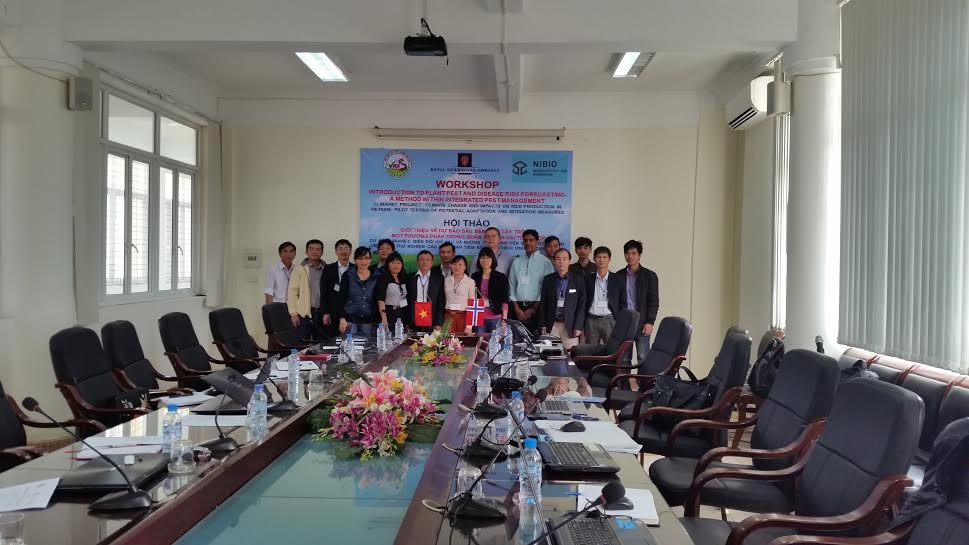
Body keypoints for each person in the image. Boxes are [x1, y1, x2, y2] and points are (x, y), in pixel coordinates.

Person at [618, 240, 659, 364]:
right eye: (627, 253)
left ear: (639, 255)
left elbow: (653, 301)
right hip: (625, 324)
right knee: (624, 358)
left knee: (643, 357)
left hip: (642, 323)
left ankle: (644, 378)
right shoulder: (618, 275)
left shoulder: (650, 276)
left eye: (633, 253)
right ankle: (624, 378)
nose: (630, 256)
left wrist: (650, 322)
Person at [539, 249, 586, 349]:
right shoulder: (548, 279)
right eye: (558, 259)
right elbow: (543, 303)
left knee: (571, 354)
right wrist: (543, 324)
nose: (561, 262)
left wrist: (578, 326)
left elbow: (582, 305)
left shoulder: (578, 280)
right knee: (551, 353)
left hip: (570, 325)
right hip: (552, 324)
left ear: (569, 261)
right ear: (554, 261)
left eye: (564, 259)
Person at [509, 229, 553, 334]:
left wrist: (533, 309)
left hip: (538, 308)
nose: (528, 243)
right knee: (518, 340)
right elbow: (511, 285)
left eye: (531, 240)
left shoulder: (545, 262)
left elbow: (547, 288)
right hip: (518, 309)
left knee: (536, 340)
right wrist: (516, 309)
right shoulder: (517, 262)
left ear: (537, 241)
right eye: (525, 240)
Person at [287, 239, 327, 340]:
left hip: (322, 313)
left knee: (321, 343)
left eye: (318, 249)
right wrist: (293, 314)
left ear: (322, 252)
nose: (314, 252)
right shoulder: (299, 269)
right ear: (306, 251)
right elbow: (292, 292)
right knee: (302, 343)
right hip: (303, 314)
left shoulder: (327, 268)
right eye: (311, 249)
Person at [584, 246, 623, 345]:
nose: (601, 260)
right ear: (594, 259)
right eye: (599, 257)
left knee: (612, 350)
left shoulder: (617, 279)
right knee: (590, 350)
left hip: (610, 320)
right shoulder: (587, 279)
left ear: (609, 259)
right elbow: (583, 300)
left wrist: (620, 321)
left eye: (604, 257)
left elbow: (623, 301)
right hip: (591, 320)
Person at [338, 246, 380, 338]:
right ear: (355, 260)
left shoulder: (376, 276)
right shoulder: (348, 275)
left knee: (368, 345)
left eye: (367, 258)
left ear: (370, 260)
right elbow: (341, 298)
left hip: (369, 320)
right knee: (349, 345)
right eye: (360, 258)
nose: (364, 261)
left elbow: (378, 299)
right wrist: (342, 318)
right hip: (350, 319)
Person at [470, 247, 509, 334]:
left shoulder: (500, 277)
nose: (485, 260)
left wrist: (504, 319)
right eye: (482, 257)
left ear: (492, 259)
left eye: (488, 257)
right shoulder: (475, 276)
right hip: (479, 317)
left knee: (495, 341)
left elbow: (505, 300)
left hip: (496, 317)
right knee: (480, 341)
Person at [320, 239, 352, 338]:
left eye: (346, 248)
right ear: (336, 251)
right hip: (332, 311)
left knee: (350, 339)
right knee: (333, 340)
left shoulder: (355, 268)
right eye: (340, 248)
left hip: (350, 311)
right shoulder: (328, 268)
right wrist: (325, 312)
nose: (343, 251)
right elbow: (324, 291)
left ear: (350, 251)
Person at [406, 250, 445, 331]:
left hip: (432, 320)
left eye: (427, 260)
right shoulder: (409, 278)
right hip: (413, 320)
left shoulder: (438, 278)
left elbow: (441, 302)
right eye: (422, 259)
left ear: (432, 262)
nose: (425, 262)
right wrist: (406, 322)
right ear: (417, 262)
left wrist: (438, 323)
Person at [375, 252, 409, 331]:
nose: (396, 265)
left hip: (402, 314)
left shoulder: (404, 278)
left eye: (398, 263)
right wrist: (384, 319)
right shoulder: (383, 278)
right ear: (388, 264)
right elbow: (380, 300)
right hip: (389, 314)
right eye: (393, 263)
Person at [443, 256, 476, 334]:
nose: (457, 267)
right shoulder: (446, 280)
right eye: (454, 264)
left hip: (463, 316)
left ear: (465, 267)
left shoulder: (470, 282)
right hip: (448, 316)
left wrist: (469, 326)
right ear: (451, 266)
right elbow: (444, 299)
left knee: (461, 340)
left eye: (460, 264)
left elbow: (472, 303)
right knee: (447, 340)